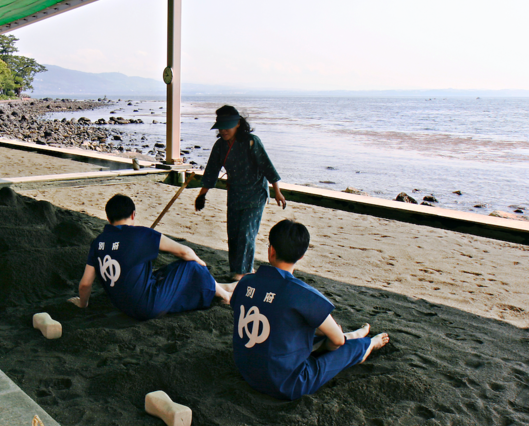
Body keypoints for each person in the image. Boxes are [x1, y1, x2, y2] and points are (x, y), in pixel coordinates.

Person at [231, 219, 389, 400]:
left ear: (271, 250)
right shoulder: (302, 293)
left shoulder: (246, 282)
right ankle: (368, 344)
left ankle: (353, 336)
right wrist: (332, 341)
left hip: (247, 370)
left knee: (298, 331)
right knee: (342, 347)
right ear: (301, 256)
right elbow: (337, 342)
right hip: (286, 383)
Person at [71, 194, 237, 321]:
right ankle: (226, 296)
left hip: (124, 306)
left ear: (108, 218)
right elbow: (184, 252)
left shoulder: (98, 241)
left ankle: (221, 286)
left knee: (167, 271)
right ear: (133, 215)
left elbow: (85, 284)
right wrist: (201, 266)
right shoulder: (140, 234)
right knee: (192, 266)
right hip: (147, 306)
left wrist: (83, 304)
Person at [196, 105, 287, 280]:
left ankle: (242, 272)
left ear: (238, 124)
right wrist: (202, 194)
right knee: (234, 234)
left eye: (227, 127)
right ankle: (236, 269)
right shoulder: (220, 146)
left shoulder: (252, 141)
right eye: (220, 127)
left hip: (255, 195)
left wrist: (277, 191)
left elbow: (267, 166)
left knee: (247, 234)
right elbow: (211, 171)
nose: (223, 131)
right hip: (235, 194)